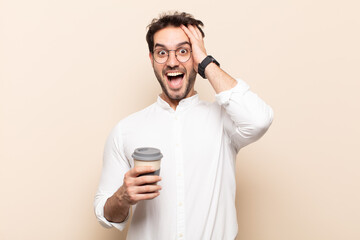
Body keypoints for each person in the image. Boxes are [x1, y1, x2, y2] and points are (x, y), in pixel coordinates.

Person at [94, 11, 273, 240]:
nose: (171, 61)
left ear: (195, 58)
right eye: (162, 53)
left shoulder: (225, 122)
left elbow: (260, 120)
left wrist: (205, 61)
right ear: (151, 59)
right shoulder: (125, 130)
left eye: (183, 51)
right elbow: (105, 214)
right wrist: (122, 197)